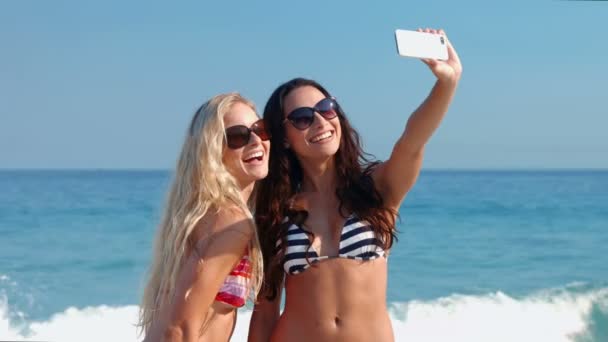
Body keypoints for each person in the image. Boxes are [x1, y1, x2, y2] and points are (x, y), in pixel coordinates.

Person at [248, 29, 462, 341]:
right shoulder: (276, 210)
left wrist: (447, 83)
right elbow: (265, 311)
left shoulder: (376, 188)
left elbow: (412, 142)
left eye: (326, 108)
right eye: (303, 118)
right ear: (285, 139)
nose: (321, 122)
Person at [138, 93, 270, 341]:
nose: (256, 141)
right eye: (238, 136)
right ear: (211, 150)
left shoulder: (208, 213)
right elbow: (178, 327)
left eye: (260, 129)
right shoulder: (231, 221)